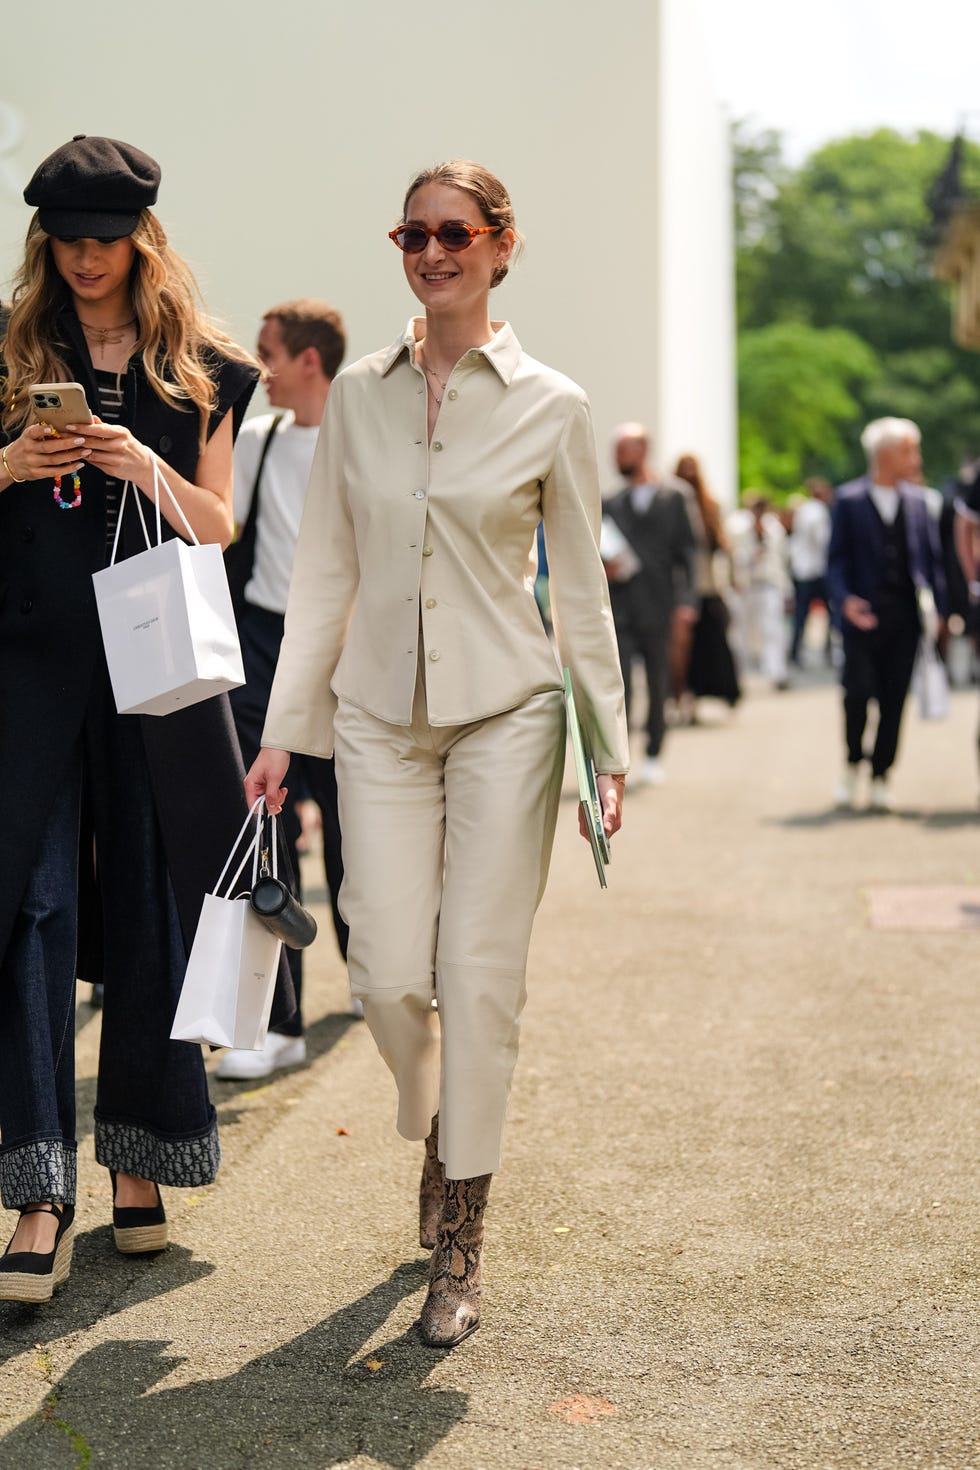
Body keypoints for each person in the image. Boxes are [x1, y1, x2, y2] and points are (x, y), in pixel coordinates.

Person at [245, 160, 628, 1347]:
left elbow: (580, 596)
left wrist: (601, 750)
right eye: (411, 233)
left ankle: (459, 1231)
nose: (430, 250)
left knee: (475, 971)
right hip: (373, 714)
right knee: (382, 976)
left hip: (507, 710)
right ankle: (436, 1118)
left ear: (500, 245)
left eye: (453, 232)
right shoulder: (355, 396)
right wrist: (279, 732)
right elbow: (324, 575)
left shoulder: (553, 405)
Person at [0, 135, 274, 1303]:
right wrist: (12, 463)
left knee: (153, 905)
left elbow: (215, 524)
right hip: (26, 669)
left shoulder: (205, 368)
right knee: (34, 906)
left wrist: (135, 465)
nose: (85, 261)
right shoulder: (7, 353)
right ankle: (38, 1187)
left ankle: (143, 1163)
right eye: (65, 242)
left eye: (104, 241)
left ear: (141, 240)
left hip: (154, 671)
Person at [216, 300, 352, 1082]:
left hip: (345, 654)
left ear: (308, 360)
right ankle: (278, 1022)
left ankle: (369, 967)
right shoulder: (258, 440)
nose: (258, 369)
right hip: (263, 646)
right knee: (262, 825)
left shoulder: (360, 441)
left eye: (268, 354)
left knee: (350, 824)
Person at [827, 417, 947, 811]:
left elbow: (932, 562)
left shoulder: (919, 501)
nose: (917, 458)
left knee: (895, 699)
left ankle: (881, 774)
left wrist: (942, 611)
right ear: (886, 454)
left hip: (905, 617)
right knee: (857, 694)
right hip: (861, 617)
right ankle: (851, 764)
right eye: (910, 449)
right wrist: (844, 600)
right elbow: (836, 561)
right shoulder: (848, 500)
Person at [603, 425, 695, 784]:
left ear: (642, 450)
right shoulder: (610, 501)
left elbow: (687, 551)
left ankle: (655, 751)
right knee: (619, 683)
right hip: (619, 605)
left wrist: (686, 603)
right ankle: (618, 758)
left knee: (658, 681)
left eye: (623, 450)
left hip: (660, 605)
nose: (617, 458)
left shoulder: (673, 497)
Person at [672, 453, 740, 717]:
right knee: (682, 651)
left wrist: (732, 578)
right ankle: (683, 696)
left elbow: (724, 545)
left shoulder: (710, 506)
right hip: (681, 590)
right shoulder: (670, 504)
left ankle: (705, 694)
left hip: (707, 585)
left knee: (710, 644)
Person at [729, 495, 791, 689]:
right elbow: (733, 555)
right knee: (741, 632)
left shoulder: (774, 529)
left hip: (769, 584)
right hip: (745, 585)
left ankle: (776, 672)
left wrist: (786, 589)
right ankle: (738, 674)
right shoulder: (737, 527)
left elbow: (781, 559)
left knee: (773, 630)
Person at [788, 476, 833, 667]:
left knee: (801, 614)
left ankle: (795, 651)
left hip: (802, 569)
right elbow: (823, 540)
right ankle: (828, 652)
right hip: (815, 570)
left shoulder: (804, 510)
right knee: (829, 613)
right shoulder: (818, 511)